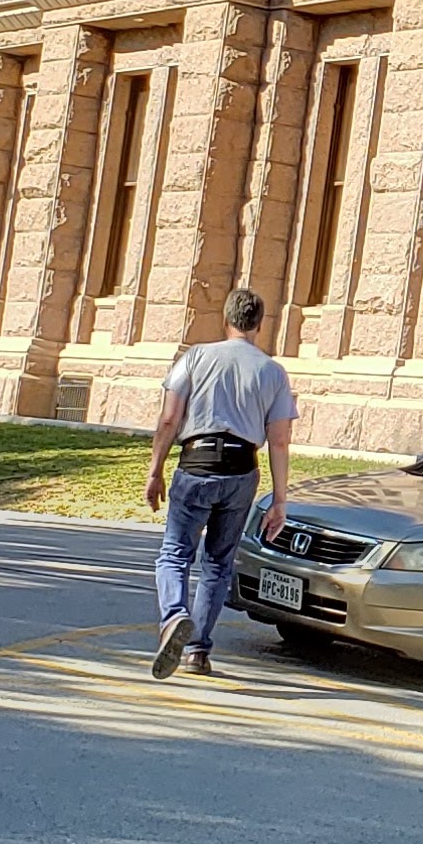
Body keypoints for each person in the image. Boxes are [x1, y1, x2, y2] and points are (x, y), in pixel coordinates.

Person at [145, 285, 295, 681]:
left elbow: (168, 419)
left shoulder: (195, 357)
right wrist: (280, 501)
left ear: (225, 319)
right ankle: (197, 650)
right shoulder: (273, 372)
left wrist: (155, 470)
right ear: (259, 324)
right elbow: (280, 440)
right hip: (241, 469)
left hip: (196, 462)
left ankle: (174, 616)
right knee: (217, 562)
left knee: (175, 553)